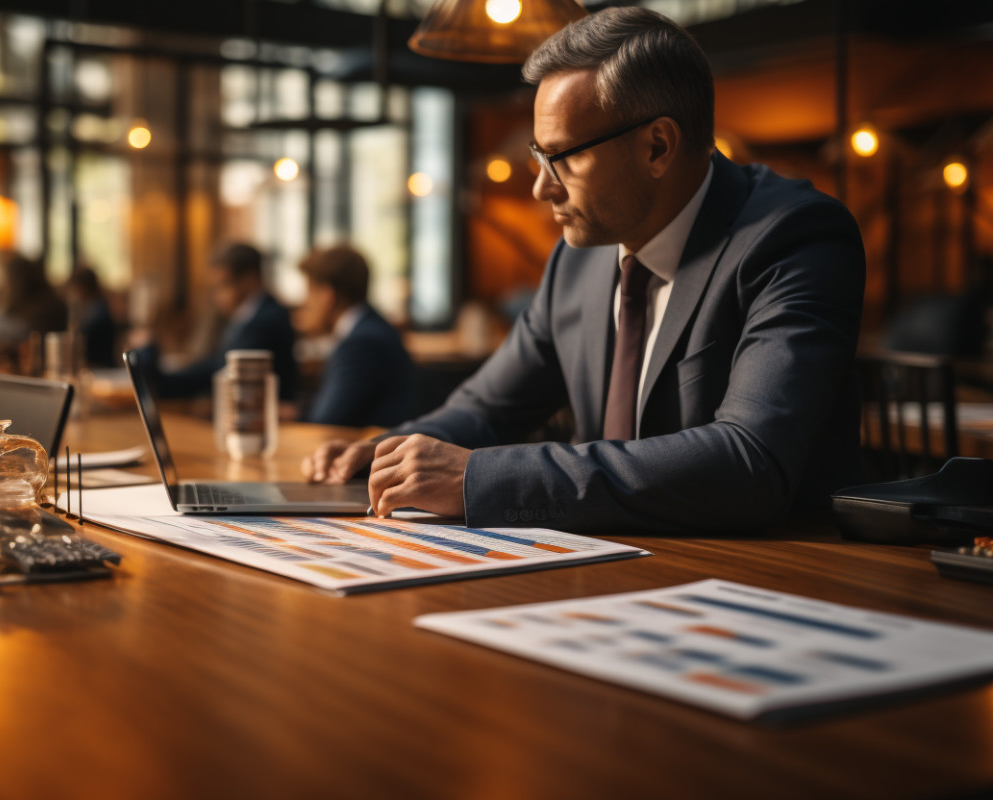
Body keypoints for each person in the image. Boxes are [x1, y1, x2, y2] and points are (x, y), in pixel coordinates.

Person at [303, 6, 866, 533]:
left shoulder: (793, 238)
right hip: (600, 565)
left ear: (657, 147)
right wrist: (389, 453)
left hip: (769, 581)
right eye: (538, 155)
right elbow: (487, 409)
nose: (540, 186)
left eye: (564, 157)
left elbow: (750, 461)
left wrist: (479, 479)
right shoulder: (578, 258)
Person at [139, 244, 297, 402]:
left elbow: (222, 371)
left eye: (223, 285)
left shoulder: (267, 319)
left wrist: (163, 380)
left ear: (250, 279)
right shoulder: (248, 315)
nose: (217, 296)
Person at [296, 245, 413, 427]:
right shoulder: (371, 326)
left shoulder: (360, 343)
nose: (305, 303)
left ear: (327, 295)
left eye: (309, 293)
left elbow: (326, 421)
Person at [67, 265, 118, 368]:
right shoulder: (94, 306)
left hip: (100, 368)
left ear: (83, 287)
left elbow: (80, 341)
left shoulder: (98, 311)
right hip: (97, 366)